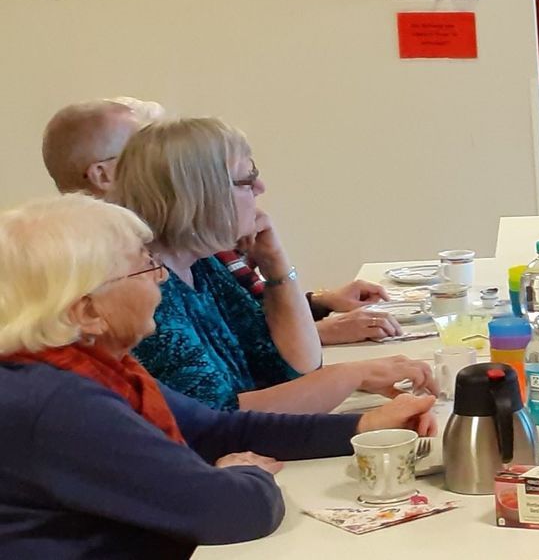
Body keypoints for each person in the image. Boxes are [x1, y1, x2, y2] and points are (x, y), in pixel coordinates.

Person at [0, 195, 436, 559]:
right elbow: (231, 512)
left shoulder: (92, 368)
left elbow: (217, 429)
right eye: (144, 267)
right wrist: (242, 474)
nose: (160, 278)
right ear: (87, 311)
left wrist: (363, 426)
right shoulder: (59, 404)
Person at [108, 117, 431, 412]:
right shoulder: (145, 291)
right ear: (200, 195)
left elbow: (292, 368)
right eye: (247, 179)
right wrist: (352, 375)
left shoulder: (203, 265)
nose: (260, 188)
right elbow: (219, 419)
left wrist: (276, 265)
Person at [41, 100, 402, 346]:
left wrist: (316, 301)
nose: (163, 160)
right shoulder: (123, 270)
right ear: (102, 175)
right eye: (140, 149)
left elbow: (249, 324)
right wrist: (324, 337)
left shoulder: (191, 251)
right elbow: (221, 390)